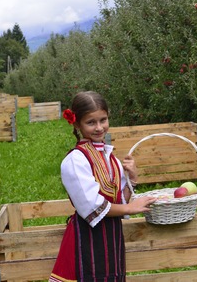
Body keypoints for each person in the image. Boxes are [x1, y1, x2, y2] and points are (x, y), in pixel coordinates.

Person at [49, 91, 157, 282]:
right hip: (87, 238)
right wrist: (131, 207)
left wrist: (131, 179)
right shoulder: (75, 160)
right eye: (91, 122)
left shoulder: (110, 157)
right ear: (76, 124)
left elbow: (118, 200)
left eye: (103, 120)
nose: (99, 128)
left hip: (111, 236)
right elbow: (93, 206)